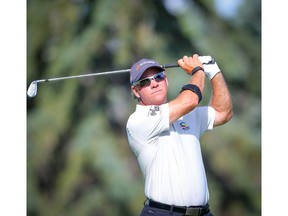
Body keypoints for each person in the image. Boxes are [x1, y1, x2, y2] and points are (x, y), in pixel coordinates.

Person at [126, 54, 233, 216]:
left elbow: (223, 112)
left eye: (159, 77)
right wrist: (198, 71)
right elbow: (190, 100)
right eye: (145, 82)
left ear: (166, 80)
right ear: (136, 91)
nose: (154, 83)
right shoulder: (138, 120)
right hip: (163, 213)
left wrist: (214, 72)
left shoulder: (186, 114)